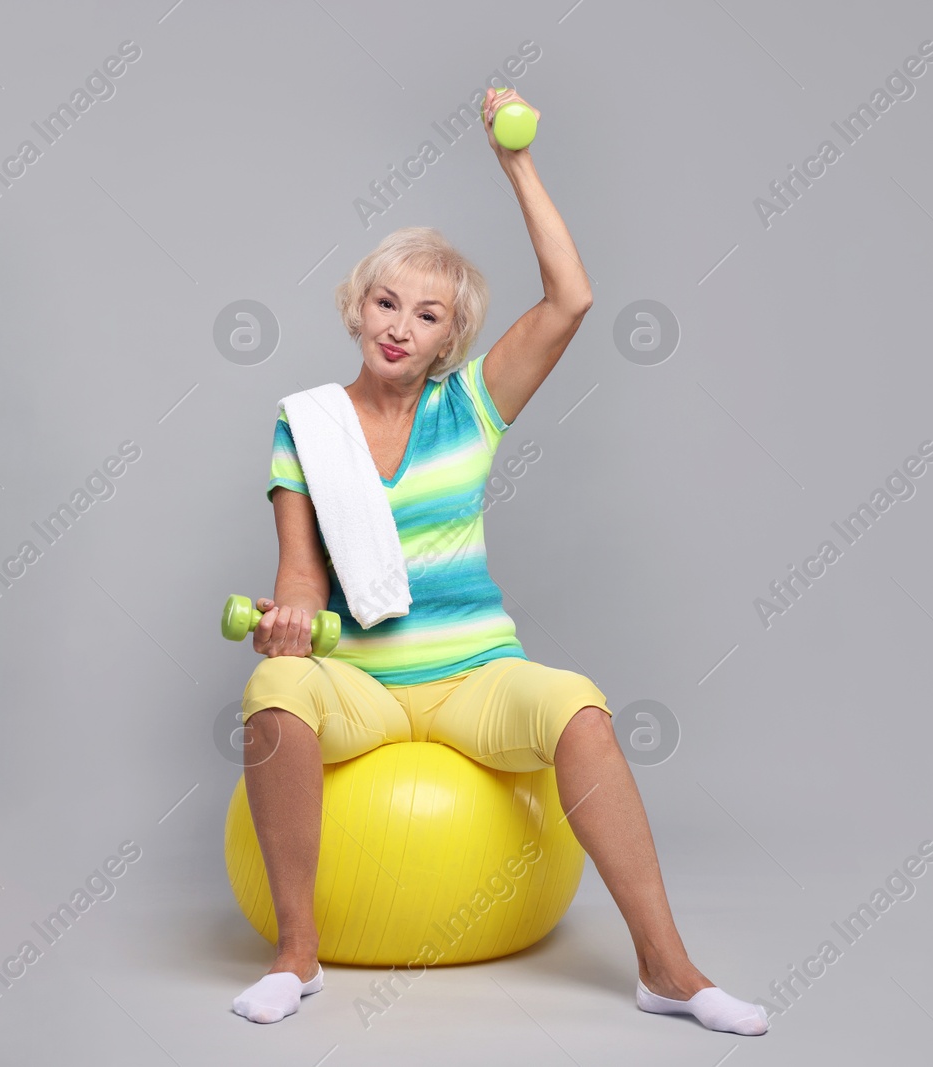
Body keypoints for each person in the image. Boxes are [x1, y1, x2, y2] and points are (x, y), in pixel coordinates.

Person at [231, 88, 767, 1037]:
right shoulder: (304, 423)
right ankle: (297, 955)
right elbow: (303, 573)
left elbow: (572, 300)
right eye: (386, 302)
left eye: (427, 314)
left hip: (474, 674)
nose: (400, 324)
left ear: (451, 337)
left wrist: (514, 162)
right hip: (358, 680)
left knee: (580, 706)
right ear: (357, 309)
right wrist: (286, 618)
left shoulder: (467, 409)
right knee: (275, 689)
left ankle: (668, 970)